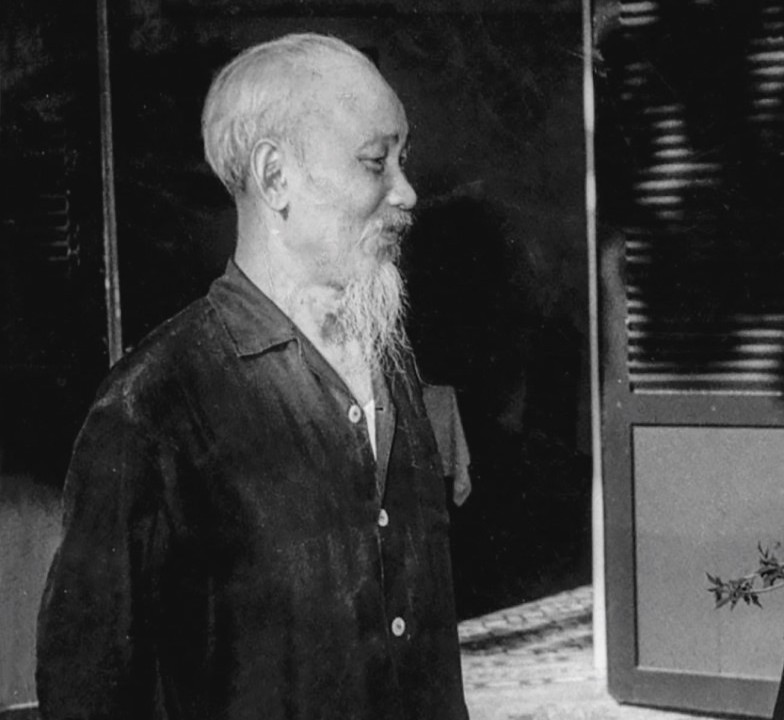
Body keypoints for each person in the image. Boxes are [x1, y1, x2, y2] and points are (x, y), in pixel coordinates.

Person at [36, 33, 470, 719]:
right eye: (374, 163)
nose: (406, 193)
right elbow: (91, 690)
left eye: (403, 159)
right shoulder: (150, 410)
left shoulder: (390, 362)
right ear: (275, 179)